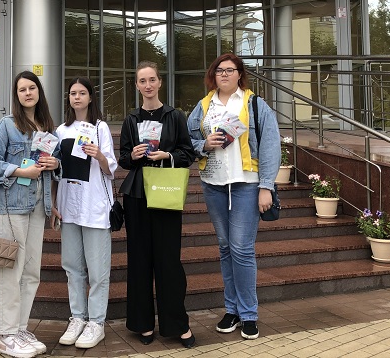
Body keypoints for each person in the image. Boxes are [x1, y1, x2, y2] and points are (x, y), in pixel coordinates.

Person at [187, 53, 280, 341]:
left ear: (240, 74)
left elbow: (270, 145)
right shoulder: (204, 106)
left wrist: (266, 186)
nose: (224, 74)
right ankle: (232, 310)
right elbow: (186, 140)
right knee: (226, 248)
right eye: (220, 70)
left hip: (246, 184)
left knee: (242, 249)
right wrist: (203, 144)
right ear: (213, 75)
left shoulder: (254, 104)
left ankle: (249, 314)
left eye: (230, 70)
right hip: (213, 184)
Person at [118, 61, 196, 349]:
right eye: (142, 81)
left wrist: (166, 155)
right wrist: (134, 155)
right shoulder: (131, 119)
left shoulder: (174, 116)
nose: (148, 85)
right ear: (136, 85)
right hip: (137, 194)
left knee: (168, 260)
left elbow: (187, 154)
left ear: (160, 82)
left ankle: (177, 323)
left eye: (152, 79)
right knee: (139, 260)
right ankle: (143, 323)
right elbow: (123, 158)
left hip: (165, 191)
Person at [0, 71, 60, 358]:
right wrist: (20, 171)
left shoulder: (48, 127)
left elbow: (55, 166)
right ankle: (7, 335)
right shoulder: (7, 125)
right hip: (11, 206)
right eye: (22, 89)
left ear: (39, 91)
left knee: (31, 272)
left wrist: (55, 164)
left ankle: (20, 328)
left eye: (32, 88)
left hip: (38, 207)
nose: (28, 93)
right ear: (16, 95)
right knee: (10, 272)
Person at [51, 77, 117, 349]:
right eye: (72, 93)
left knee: (98, 270)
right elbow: (56, 171)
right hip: (68, 205)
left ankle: (96, 322)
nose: (77, 97)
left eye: (82, 93)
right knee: (73, 267)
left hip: (94, 206)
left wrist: (99, 156)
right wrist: (53, 203)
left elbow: (111, 170)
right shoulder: (60, 131)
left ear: (90, 97)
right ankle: (77, 317)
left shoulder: (101, 128)